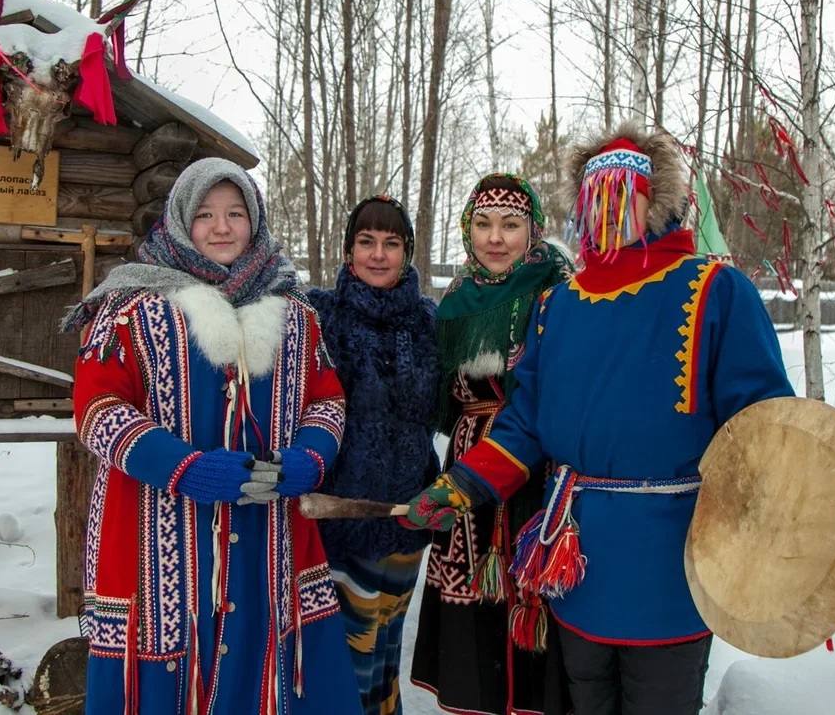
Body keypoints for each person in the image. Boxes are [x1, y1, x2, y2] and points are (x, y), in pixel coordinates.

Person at [403, 128, 795, 715]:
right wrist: (462, 484)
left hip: (672, 555)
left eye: (624, 196)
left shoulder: (716, 289)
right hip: (575, 555)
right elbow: (525, 422)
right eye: (595, 198)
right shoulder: (558, 304)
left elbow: (763, 429)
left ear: (655, 200)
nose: (608, 214)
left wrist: (779, 529)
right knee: (583, 698)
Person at [64, 159, 363, 715]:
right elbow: (98, 411)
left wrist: (310, 459)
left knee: (265, 654)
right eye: (205, 215)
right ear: (180, 221)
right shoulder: (128, 308)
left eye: (235, 214)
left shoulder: (295, 315)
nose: (221, 228)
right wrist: (185, 468)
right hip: (158, 537)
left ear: (256, 222)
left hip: (268, 532)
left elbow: (327, 400)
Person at [408, 174, 573, 715]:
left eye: (510, 225)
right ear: (467, 230)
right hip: (469, 461)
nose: (495, 238)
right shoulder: (456, 300)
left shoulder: (560, 291)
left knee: (536, 591)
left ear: (534, 231)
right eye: (483, 224)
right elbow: (444, 400)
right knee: (475, 601)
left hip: (539, 463)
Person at [305, 195, 439, 715]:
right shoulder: (319, 317)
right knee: (347, 668)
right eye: (366, 242)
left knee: (385, 660)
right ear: (346, 250)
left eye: (391, 243)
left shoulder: (429, 320)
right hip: (341, 524)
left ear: (407, 252)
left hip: (407, 520)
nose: (378, 255)